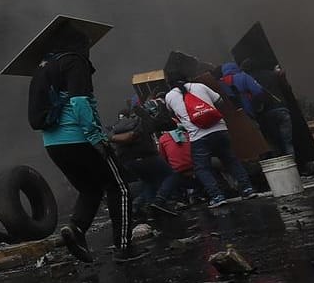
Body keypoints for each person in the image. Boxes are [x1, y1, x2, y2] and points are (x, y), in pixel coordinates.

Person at [32, 43, 141, 263]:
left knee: (90, 189)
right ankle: (124, 247)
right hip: (79, 138)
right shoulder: (74, 61)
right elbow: (80, 102)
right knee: (119, 187)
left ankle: (76, 229)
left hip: (53, 144)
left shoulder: (43, 68)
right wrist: (95, 138)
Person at [162, 72, 255, 207]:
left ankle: (217, 196)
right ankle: (248, 189)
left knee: (202, 168)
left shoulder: (169, 96)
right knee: (231, 161)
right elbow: (220, 101)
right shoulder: (200, 86)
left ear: (169, 84)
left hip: (199, 136)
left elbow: (172, 114)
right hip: (220, 129)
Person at [109, 100, 180, 214]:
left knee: (149, 181)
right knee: (171, 174)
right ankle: (159, 201)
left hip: (128, 162)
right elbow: (168, 124)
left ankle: (151, 209)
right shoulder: (142, 120)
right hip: (147, 156)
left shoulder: (117, 127)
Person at [218, 61, 295, 161]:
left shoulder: (220, 83)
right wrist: (258, 107)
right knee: (273, 143)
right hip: (249, 115)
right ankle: (288, 166)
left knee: (250, 149)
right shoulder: (243, 77)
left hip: (231, 123)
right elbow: (258, 92)